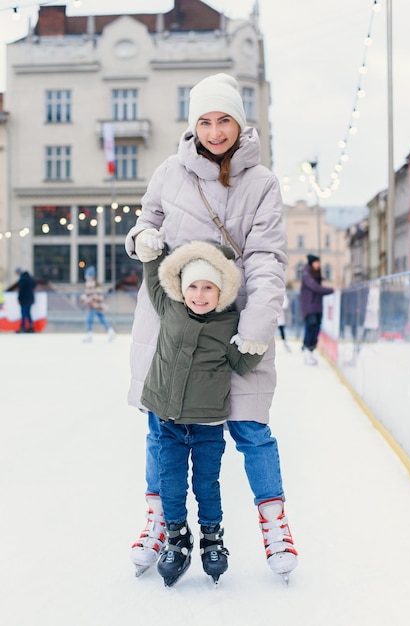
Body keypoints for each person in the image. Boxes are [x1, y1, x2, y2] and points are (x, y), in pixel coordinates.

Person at [125, 73, 298, 582]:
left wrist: (257, 326)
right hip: (173, 325)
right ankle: (158, 521)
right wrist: (144, 240)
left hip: (237, 325)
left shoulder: (262, 182)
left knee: (251, 427)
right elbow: (144, 224)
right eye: (205, 120)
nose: (215, 130)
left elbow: (267, 258)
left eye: (224, 120)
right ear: (193, 123)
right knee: (162, 427)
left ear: (240, 123)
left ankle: (275, 525)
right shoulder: (167, 172)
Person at [137, 238, 263, 586]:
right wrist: (150, 253)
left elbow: (239, 362)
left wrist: (253, 347)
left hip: (208, 424)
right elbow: (154, 275)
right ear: (182, 287)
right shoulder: (170, 306)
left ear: (220, 290)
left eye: (208, 287)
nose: (200, 294)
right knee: (171, 486)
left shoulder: (228, 321)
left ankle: (212, 538)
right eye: (193, 286)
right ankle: (177, 539)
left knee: (206, 485)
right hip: (170, 422)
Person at [300, 254, 334, 365]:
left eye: (319, 263)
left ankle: (309, 353)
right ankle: (308, 354)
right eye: (316, 262)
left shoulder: (314, 274)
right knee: (311, 330)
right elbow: (315, 287)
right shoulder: (307, 275)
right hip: (310, 307)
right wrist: (332, 289)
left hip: (316, 307)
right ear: (311, 263)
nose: (318, 265)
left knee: (315, 330)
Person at [79, 266, 116, 342]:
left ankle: (89, 335)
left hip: (93, 305)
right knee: (101, 319)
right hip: (97, 305)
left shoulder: (90, 283)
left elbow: (90, 295)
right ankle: (110, 331)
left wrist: (84, 299)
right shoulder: (95, 283)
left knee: (89, 320)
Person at [15, 268, 36, 333]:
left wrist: (19, 298)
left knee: (23, 313)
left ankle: (23, 327)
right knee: (28, 313)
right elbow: (34, 286)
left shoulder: (22, 279)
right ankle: (31, 327)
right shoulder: (30, 279)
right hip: (30, 299)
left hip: (24, 299)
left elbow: (21, 291)